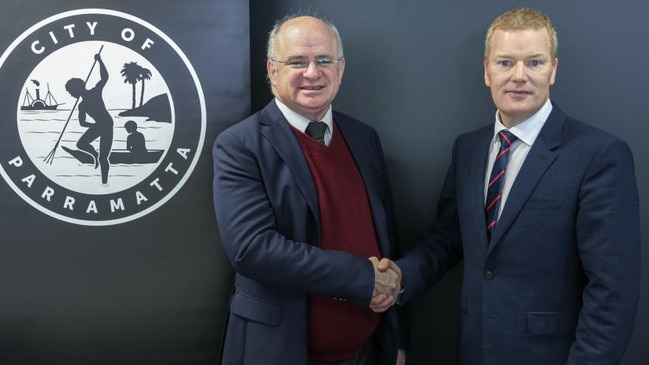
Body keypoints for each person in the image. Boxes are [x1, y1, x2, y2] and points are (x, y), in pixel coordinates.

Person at [373, 7, 641, 365]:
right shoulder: (468, 149)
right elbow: (450, 239)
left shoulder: (599, 155)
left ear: (553, 70)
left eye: (534, 62)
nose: (519, 76)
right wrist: (400, 276)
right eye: (505, 63)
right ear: (486, 70)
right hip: (473, 351)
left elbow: (613, 291)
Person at [213, 14, 406, 365]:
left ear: (341, 68)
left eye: (324, 60)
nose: (313, 73)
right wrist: (361, 278)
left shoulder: (364, 138)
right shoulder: (240, 145)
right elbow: (251, 249)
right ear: (272, 71)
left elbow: (386, 242)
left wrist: (396, 339)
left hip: (367, 351)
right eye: (297, 62)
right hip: (280, 351)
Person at [65, 53, 114, 185]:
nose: (70, 94)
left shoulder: (95, 92)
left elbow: (105, 77)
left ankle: (105, 183)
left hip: (107, 125)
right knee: (81, 144)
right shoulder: (82, 106)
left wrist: (100, 61)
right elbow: (82, 123)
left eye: (70, 91)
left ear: (77, 89)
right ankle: (94, 154)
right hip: (98, 125)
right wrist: (92, 126)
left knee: (104, 157)